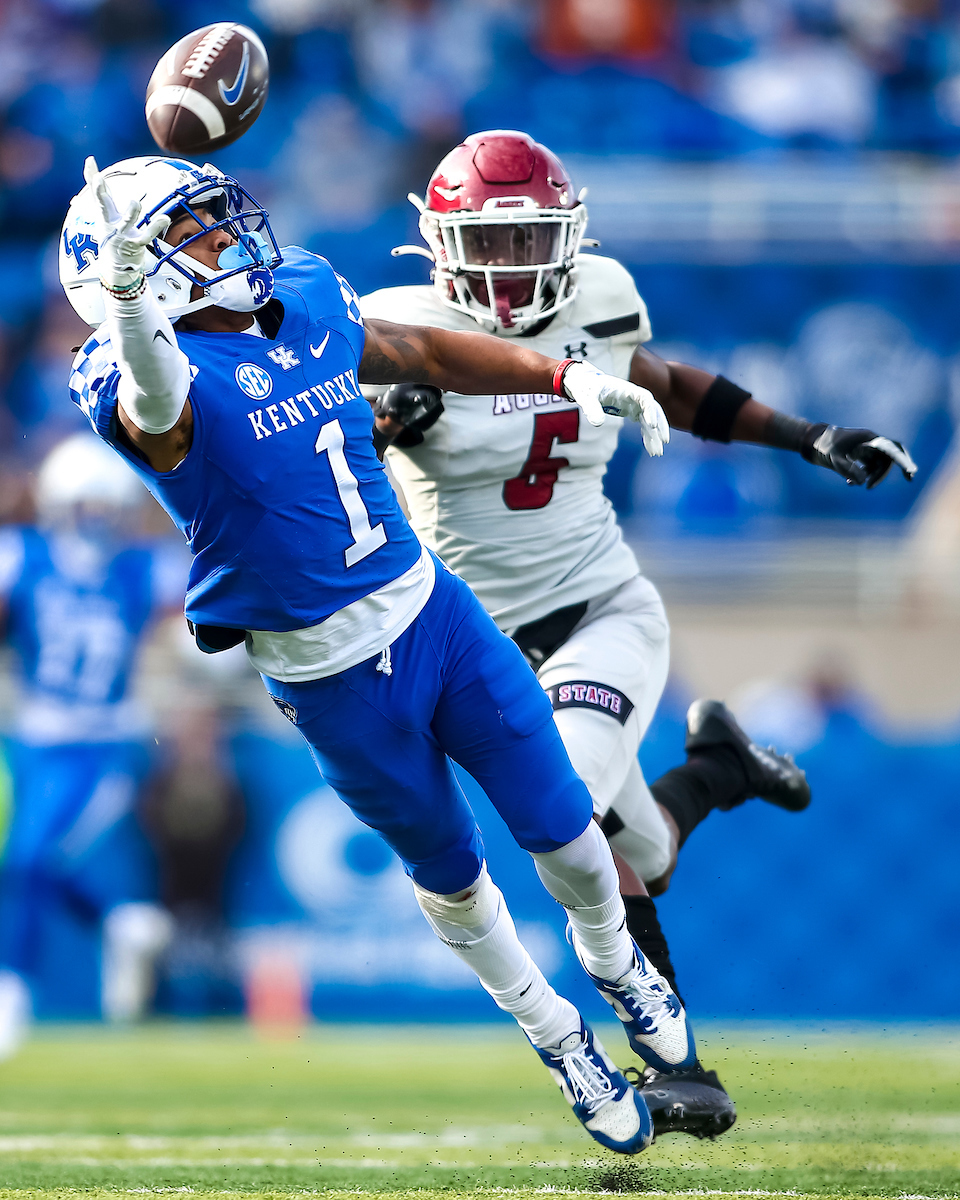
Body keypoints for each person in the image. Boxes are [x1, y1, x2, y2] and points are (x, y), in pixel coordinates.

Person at [59, 152, 716, 1154]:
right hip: (326, 676)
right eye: (188, 232)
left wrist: (568, 373)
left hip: (433, 614)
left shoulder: (307, 294)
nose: (225, 238)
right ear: (133, 273)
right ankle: (557, 1035)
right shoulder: (136, 371)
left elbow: (426, 352)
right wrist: (131, 305)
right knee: (452, 874)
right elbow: (159, 409)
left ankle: (620, 964)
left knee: (565, 828)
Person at [358, 127, 918, 1085]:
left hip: (598, 610)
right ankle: (719, 768)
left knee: (567, 816)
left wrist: (808, 435)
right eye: (489, 244)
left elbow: (666, 387)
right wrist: (377, 426)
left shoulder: (602, 302)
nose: (511, 265)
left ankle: (677, 1063)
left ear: (569, 236)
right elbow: (326, 477)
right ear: (441, 245)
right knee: (643, 851)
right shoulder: (396, 325)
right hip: (475, 646)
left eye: (531, 239)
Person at [0, 433, 179, 1059]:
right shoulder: (21, 557)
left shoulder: (141, 567)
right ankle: (119, 923)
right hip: (34, 741)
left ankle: (13, 994)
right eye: (85, 506)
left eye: (106, 507)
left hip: (104, 742)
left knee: (27, 860)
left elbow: (212, 595)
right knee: (34, 861)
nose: (96, 520)